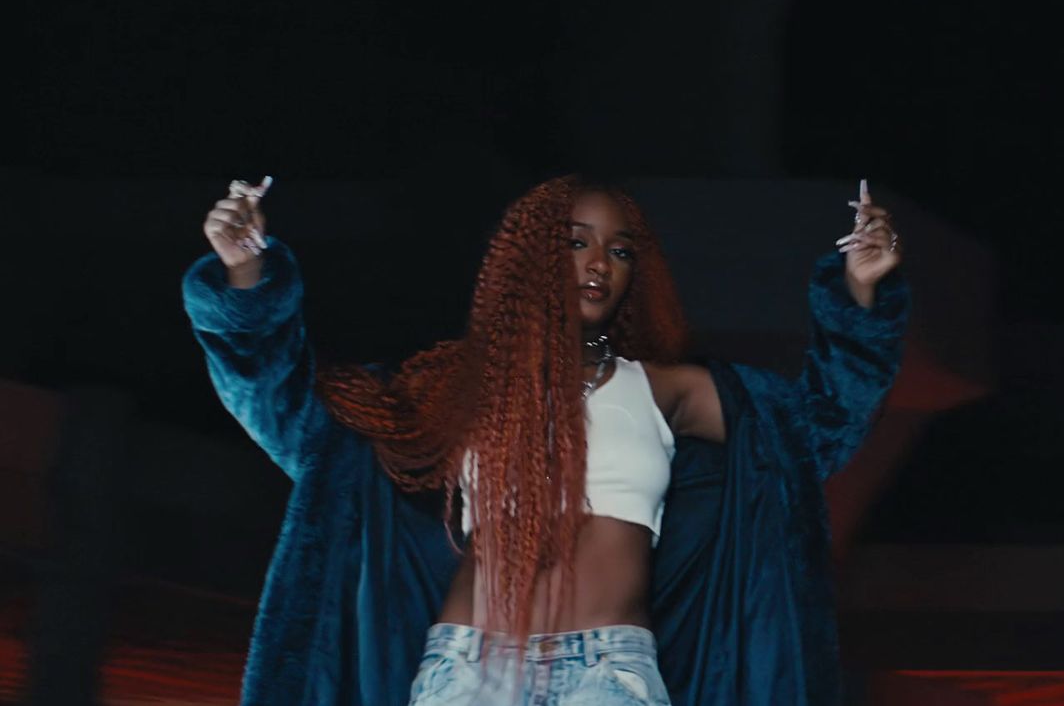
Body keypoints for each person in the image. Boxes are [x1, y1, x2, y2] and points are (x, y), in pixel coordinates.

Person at [182, 174, 909, 705]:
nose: (600, 263)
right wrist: (245, 274)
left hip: (611, 672)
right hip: (472, 666)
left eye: (620, 251)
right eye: (576, 242)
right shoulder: (461, 386)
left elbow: (816, 427)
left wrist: (862, 294)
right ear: (531, 256)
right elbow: (289, 410)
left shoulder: (666, 389)